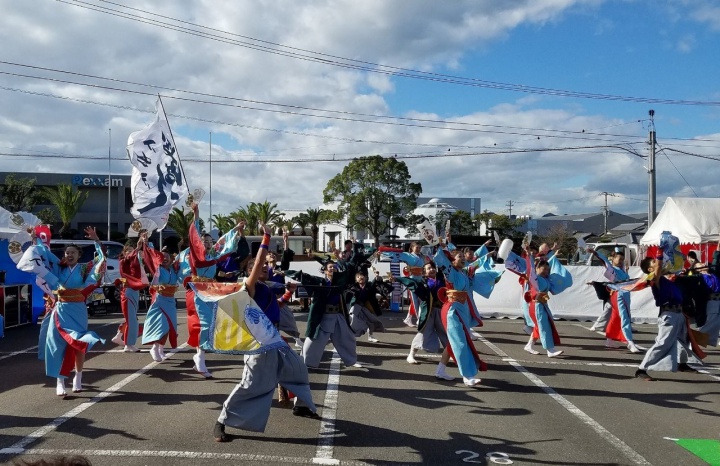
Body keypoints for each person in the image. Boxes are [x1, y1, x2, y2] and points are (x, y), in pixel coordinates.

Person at [213, 223, 317, 442]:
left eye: (263, 268)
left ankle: (301, 407)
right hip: (259, 343)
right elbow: (260, 259)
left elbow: (275, 307)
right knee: (250, 384)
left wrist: (288, 295)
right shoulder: (249, 287)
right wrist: (267, 236)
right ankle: (222, 420)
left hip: (276, 340)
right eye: (258, 267)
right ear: (250, 271)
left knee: (299, 370)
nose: (263, 268)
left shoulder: (266, 288)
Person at [24, 227, 106, 396]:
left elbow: (100, 260)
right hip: (60, 310)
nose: (69, 255)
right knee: (57, 345)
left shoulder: (84, 269)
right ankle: (60, 381)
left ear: (79, 255)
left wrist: (96, 240)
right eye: (67, 252)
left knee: (79, 345)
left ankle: (78, 376)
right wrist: (34, 239)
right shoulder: (58, 268)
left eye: (73, 252)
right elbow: (43, 254)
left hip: (78, 310)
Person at [179, 204, 245, 378]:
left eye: (209, 241)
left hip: (210, 292)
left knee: (212, 324)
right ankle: (200, 357)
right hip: (196, 293)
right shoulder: (196, 255)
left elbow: (224, 243)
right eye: (204, 241)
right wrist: (196, 214)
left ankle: (200, 356)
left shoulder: (213, 256)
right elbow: (194, 236)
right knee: (203, 323)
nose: (207, 243)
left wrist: (236, 230)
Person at [433, 236, 498, 386]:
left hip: (462, 310)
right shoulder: (451, 272)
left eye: (463, 256)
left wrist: (488, 261)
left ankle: (441, 370)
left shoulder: (464, 272)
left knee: (453, 343)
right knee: (461, 343)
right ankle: (467, 376)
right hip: (452, 311)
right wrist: (438, 246)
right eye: (460, 257)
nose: (463, 258)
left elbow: (475, 264)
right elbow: (442, 261)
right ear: (452, 261)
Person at [286, 247, 364, 369]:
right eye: (330, 268)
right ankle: (306, 362)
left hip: (338, 316)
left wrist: (340, 257)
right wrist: (285, 273)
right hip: (323, 317)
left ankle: (352, 360)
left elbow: (350, 268)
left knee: (348, 339)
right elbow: (303, 276)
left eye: (334, 267)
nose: (333, 269)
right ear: (325, 271)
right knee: (312, 341)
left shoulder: (340, 282)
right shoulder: (319, 282)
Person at [635, 254, 703, 381]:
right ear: (651, 269)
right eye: (654, 262)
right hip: (669, 315)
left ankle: (682, 364)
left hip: (678, 314)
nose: (659, 263)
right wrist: (660, 252)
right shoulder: (655, 279)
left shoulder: (665, 279)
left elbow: (670, 267)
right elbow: (660, 266)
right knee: (663, 343)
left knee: (683, 340)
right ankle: (642, 369)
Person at [395, 261, 453, 376]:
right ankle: (411, 354)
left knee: (445, 333)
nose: (431, 270)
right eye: (428, 268)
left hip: (440, 310)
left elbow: (443, 263)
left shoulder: (441, 278)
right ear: (424, 272)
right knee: (423, 332)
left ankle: (449, 354)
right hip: (428, 311)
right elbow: (411, 282)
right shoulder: (423, 282)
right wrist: (398, 278)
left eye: (432, 267)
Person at [588, 248, 644, 353]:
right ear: (613, 259)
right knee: (625, 317)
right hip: (619, 295)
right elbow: (604, 261)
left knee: (614, 318)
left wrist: (626, 268)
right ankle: (629, 342)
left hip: (622, 295)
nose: (621, 260)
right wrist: (595, 253)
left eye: (623, 259)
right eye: (619, 258)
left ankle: (609, 340)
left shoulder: (622, 270)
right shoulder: (612, 269)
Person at [522, 243, 573, 358]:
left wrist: (553, 255)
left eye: (547, 270)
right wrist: (528, 254)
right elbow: (530, 267)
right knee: (544, 326)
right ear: (537, 268)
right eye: (543, 269)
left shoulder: (546, 279)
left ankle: (529, 345)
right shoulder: (534, 277)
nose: (546, 271)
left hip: (542, 304)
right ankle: (550, 350)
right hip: (536, 305)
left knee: (539, 326)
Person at [140, 234, 182, 362]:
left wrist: (181, 247)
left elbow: (182, 261)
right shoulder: (157, 269)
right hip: (159, 299)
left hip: (170, 301)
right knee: (162, 325)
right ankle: (154, 347)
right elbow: (152, 256)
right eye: (162, 256)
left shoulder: (174, 270)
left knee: (169, 326)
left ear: (171, 258)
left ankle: (161, 349)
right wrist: (147, 243)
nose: (164, 258)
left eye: (167, 256)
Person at [110, 240, 148, 353]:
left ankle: (124, 340)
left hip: (134, 291)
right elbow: (129, 259)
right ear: (124, 253)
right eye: (129, 251)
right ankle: (128, 344)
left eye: (132, 251)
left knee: (132, 319)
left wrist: (144, 244)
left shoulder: (134, 263)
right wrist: (136, 249)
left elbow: (140, 262)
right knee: (131, 320)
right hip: (127, 292)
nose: (131, 253)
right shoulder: (123, 261)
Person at [387, 242, 427, 327]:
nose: (418, 249)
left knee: (421, 300)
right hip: (412, 280)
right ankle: (419, 319)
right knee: (415, 301)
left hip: (420, 280)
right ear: (412, 247)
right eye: (417, 247)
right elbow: (396, 254)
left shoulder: (421, 257)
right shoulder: (407, 255)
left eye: (420, 247)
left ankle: (410, 318)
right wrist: (384, 252)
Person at [346, 270, 385, 343]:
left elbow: (374, 285)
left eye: (362, 277)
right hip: (355, 306)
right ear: (356, 279)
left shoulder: (368, 286)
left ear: (365, 278)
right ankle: (352, 335)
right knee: (353, 319)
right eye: (358, 277)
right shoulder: (353, 287)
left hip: (365, 306)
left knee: (370, 321)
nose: (360, 278)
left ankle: (370, 336)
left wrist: (376, 278)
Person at [698, 239, 720, 346]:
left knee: (716, 322)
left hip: (718, 300)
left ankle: (700, 340)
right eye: (700, 265)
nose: (703, 264)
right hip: (711, 301)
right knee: (710, 322)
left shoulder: (714, 273)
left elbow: (716, 257)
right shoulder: (699, 278)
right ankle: (695, 339)